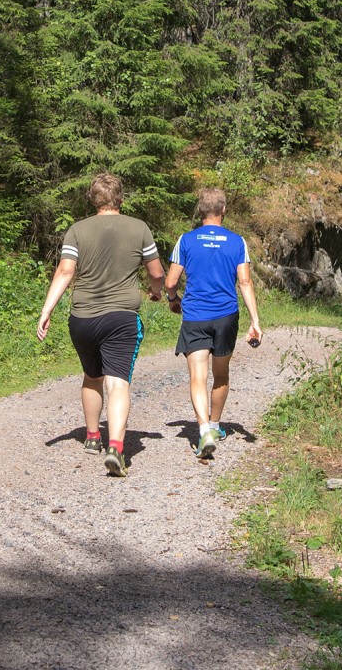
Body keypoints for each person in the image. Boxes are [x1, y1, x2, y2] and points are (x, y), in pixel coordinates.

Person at [35, 173, 166, 476]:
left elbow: (65, 272)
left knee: (92, 375)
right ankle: (116, 448)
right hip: (121, 318)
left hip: (82, 319)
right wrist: (157, 291)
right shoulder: (140, 228)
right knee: (117, 381)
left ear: (93, 199)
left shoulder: (77, 230)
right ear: (121, 197)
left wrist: (46, 311)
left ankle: (93, 437)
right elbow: (156, 272)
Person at [164, 187, 262, 460]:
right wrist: (255, 320)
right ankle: (216, 425)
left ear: (200, 211)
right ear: (223, 211)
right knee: (221, 374)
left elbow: (171, 282)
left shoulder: (186, 240)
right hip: (226, 316)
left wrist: (173, 299)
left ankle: (204, 429)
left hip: (195, 315)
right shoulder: (237, 242)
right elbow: (245, 281)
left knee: (198, 376)